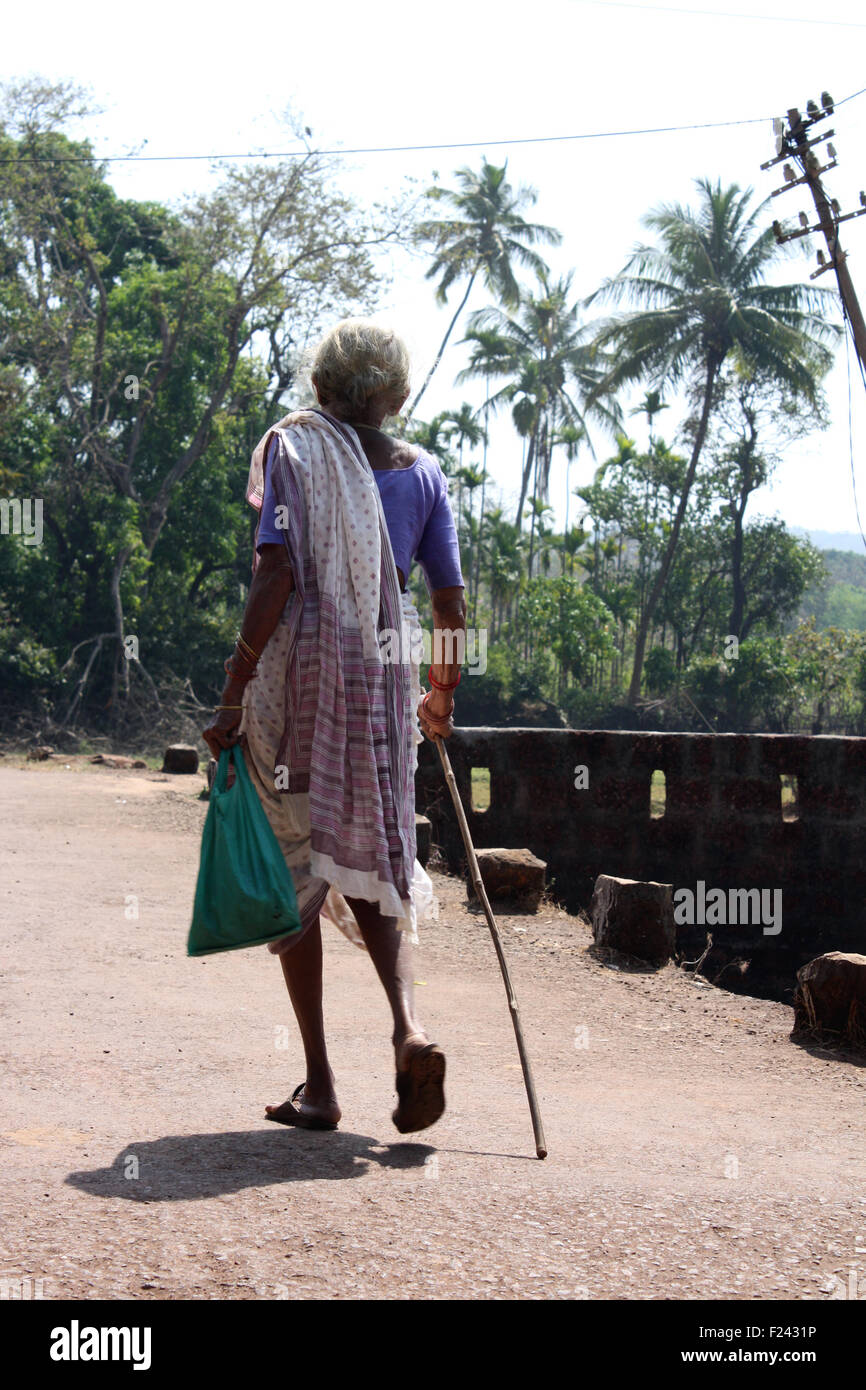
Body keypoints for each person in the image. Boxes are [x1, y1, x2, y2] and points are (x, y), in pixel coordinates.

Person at [202, 320, 466, 1134]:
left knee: (293, 873)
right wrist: (441, 694)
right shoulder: (424, 476)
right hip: (384, 685)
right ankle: (409, 1028)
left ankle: (320, 1082)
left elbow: (278, 571)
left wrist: (234, 686)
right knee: (376, 856)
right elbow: (448, 602)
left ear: (322, 390)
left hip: (299, 679)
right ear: (397, 396)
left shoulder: (295, 449)